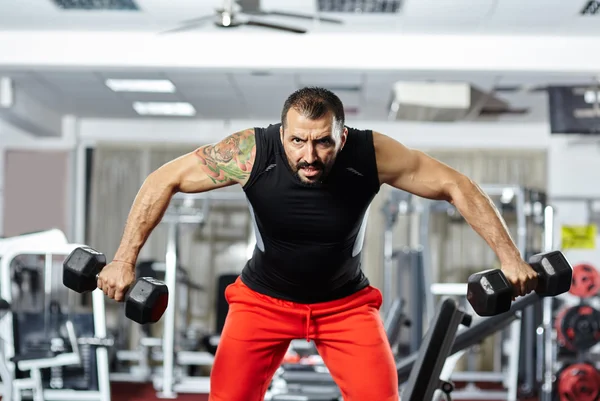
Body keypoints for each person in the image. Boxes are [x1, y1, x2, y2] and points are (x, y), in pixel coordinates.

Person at [97, 87, 539, 401]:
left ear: (341, 136)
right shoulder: (253, 151)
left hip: (344, 306)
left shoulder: (371, 154)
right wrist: (123, 259)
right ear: (282, 132)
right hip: (261, 302)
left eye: (323, 142)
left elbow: (456, 185)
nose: (309, 155)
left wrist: (510, 257)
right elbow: (163, 178)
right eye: (297, 141)